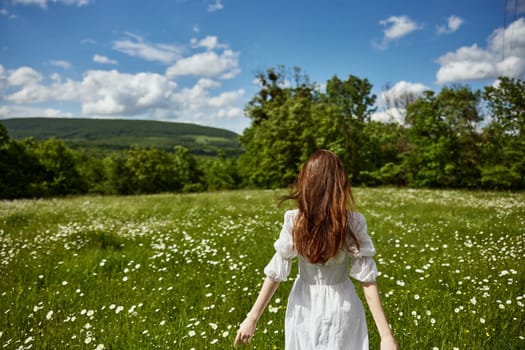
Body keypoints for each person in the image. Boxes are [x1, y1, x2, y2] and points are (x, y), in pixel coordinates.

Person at [234, 150, 398, 349]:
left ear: (307, 182)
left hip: (306, 306)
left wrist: (252, 318)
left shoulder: (300, 220)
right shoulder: (348, 222)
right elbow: (368, 281)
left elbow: (276, 274)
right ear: (340, 184)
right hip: (338, 305)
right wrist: (385, 336)